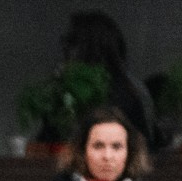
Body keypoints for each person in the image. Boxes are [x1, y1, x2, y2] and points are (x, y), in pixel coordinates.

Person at [52, 11, 161, 150]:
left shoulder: (122, 93)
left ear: (89, 48)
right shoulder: (130, 87)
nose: (65, 49)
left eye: (71, 41)